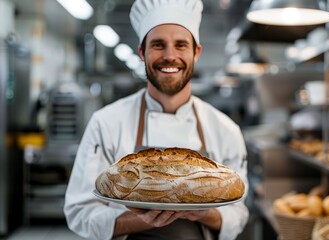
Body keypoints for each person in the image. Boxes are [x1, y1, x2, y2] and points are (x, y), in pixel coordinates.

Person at [63, 0, 249, 239]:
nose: (170, 56)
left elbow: (238, 213)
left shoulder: (225, 129)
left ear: (196, 52)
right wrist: (139, 221)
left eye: (180, 45)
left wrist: (202, 213)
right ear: (142, 52)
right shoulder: (106, 123)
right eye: (158, 45)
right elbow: (79, 212)